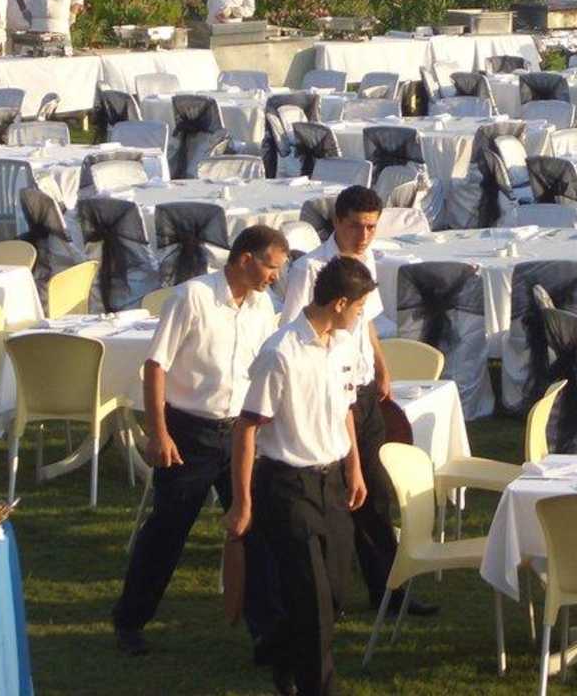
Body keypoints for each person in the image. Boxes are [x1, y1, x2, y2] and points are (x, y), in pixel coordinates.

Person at [112, 224, 289, 657]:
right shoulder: (191, 297)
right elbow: (156, 366)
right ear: (245, 259)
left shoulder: (263, 306)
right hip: (189, 433)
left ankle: (265, 632)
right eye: (272, 267)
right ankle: (130, 621)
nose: (276, 277)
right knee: (167, 531)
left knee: (255, 529)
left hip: (240, 434)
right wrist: (159, 433)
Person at [279, 186, 436, 621]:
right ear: (337, 222)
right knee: (338, 494)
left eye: (371, 227)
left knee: (375, 493)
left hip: (364, 391)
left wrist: (381, 368)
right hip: (331, 393)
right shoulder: (310, 269)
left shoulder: (367, 260)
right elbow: (294, 332)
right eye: (356, 226)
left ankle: (389, 592)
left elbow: (366, 323)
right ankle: (330, 596)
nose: (364, 235)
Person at [228, 256, 374, 696]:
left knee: (336, 592)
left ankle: (280, 653)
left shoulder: (343, 346)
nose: (361, 316)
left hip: (333, 483)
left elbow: (346, 410)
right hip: (288, 486)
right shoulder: (280, 353)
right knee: (314, 604)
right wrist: (243, 503)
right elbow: (246, 427)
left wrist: (355, 467)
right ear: (340, 303)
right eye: (359, 307)